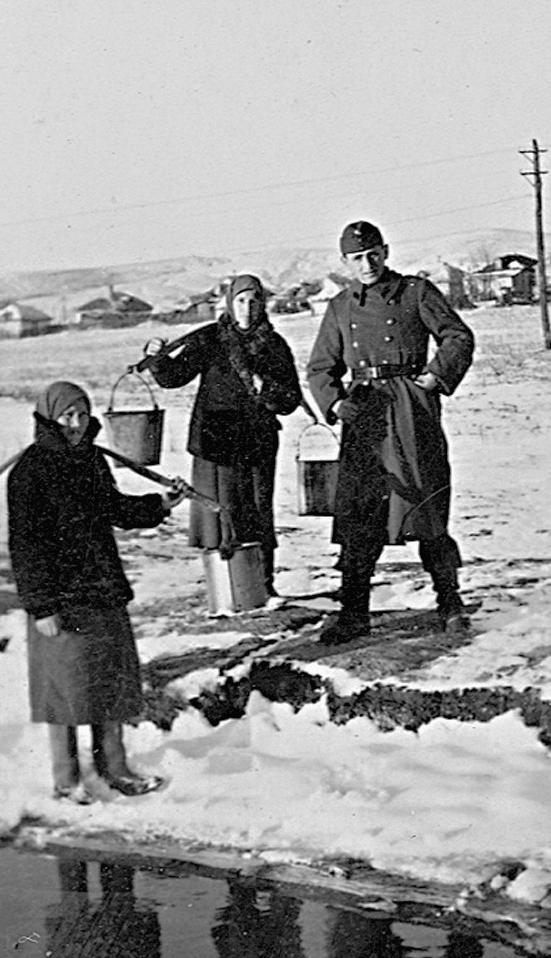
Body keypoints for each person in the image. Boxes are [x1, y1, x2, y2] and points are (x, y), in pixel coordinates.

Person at [7, 380, 190, 802]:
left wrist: (160, 504)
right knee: (65, 692)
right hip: (61, 597)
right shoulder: (29, 472)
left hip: (101, 587)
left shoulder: (91, 460)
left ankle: (115, 768)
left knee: (110, 685)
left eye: (81, 414)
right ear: (49, 418)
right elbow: (26, 546)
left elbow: (114, 508)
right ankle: (67, 779)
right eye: (66, 415)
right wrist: (41, 606)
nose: (75, 423)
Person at [307, 220, 475, 645]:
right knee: (359, 512)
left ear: (385, 251)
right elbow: (321, 367)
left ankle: (450, 603)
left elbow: (457, 336)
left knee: (425, 502)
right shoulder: (340, 307)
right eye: (357, 258)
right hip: (365, 416)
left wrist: (436, 375)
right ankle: (353, 613)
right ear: (345, 262)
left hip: (411, 410)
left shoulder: (416, 292)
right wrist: (334, 403)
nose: (367, 264)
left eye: (373, 254)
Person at [138, 274, 303, 595]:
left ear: (263, 304)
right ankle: (226, 589)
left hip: (257, 443)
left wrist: (266, 389)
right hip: (216, 441)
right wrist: (157, 358)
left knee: (258, 513)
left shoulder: (275, 345)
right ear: (229, 303)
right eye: (240, 300)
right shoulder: (210, 339)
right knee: (221, 514)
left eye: (254, 300)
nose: (247, 308)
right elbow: (173, 377)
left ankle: (262, 587)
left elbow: (290, 400)